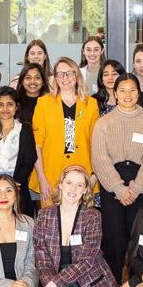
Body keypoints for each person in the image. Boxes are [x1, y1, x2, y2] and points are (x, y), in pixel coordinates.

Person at [33, 165, 118, 287]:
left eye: (79, 185)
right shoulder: (44, 215)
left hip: (97, 286)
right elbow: (41, 256)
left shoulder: (92, 217)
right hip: (68, 285)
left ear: (86, 190)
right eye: (69, 183)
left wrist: (54, 283)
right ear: (61, 185)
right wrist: (50, 285)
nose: (73, 189)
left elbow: (86, 261)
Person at [91, 75, 143, 284]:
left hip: (140, 185)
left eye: (132, 90)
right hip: (112, 185)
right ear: (115, 93)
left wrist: (136, 188)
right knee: (114, 240)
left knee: (138, 237)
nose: (127, 95)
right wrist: (120, 189)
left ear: (139, 93)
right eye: (122, 90)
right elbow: (99, 159)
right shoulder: (103, 123)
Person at [31, 58, 99, 206]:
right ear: (55, 78)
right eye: (60, 74)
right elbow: (36, 145)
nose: (65, 78)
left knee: (79, 224)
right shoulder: (43, 104)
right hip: (51, 175)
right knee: (52, 224)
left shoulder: (91, 104)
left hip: (81, 177)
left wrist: (93, 178)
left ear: (77, 75)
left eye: (69, 73)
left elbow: (96, 145)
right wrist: (42, 179)